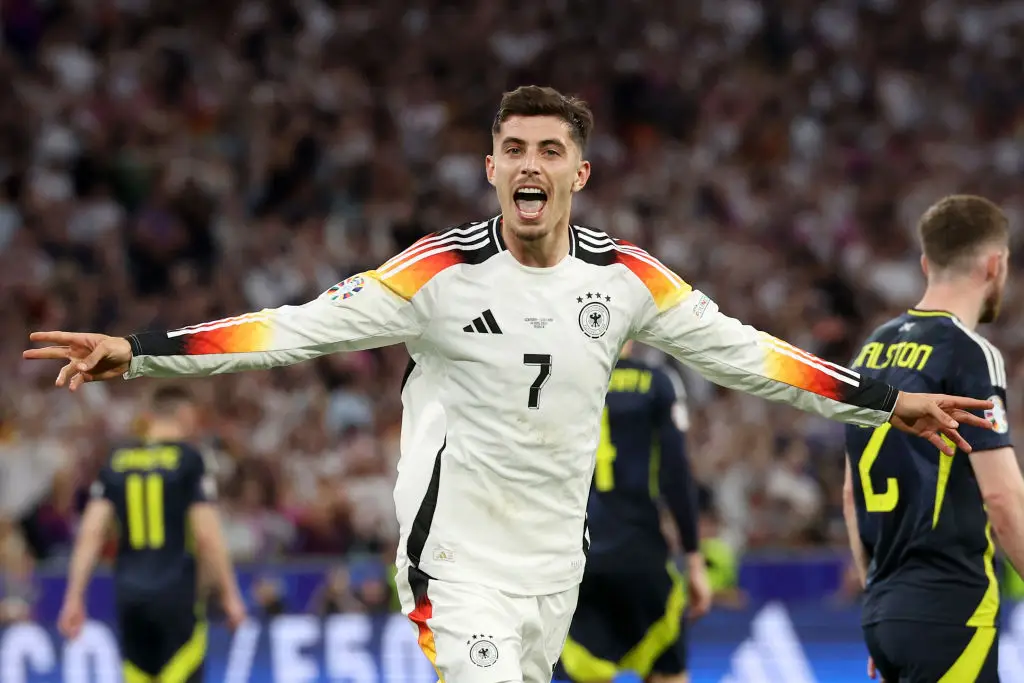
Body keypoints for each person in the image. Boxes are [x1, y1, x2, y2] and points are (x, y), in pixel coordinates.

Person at [26, 86, 992, 683]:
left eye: (549, 150)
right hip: (458, 568)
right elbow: (289, 332)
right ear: (492, 168)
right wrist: (141, 348)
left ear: (581, 169)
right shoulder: (437, 273)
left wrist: (882, 396)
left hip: (555, 569)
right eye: (515, 150)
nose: (531, 165)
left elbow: (752, 354)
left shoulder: (626, 280)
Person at [843, 194, 1020, 683]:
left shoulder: (870, 350)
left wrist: (882, 606)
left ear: (926, 263)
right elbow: (1003, 498)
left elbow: (850, 495)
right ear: (995, 264)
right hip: (951, 609)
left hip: (886, 612)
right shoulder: (969, 353)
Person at [57, 386, 246, 683]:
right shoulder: (189, 460)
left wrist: (74, 597)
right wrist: (230, 595)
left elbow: (91, 532)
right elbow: (207, 536)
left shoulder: (118, 460)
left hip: (130, 598)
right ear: (184, 414)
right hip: (176, 596)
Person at [555, 341, 711, 683]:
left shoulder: (557, 383)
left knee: (581, 668)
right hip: (642, 556)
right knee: (667, 667)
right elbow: (676, 474)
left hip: (577, 562)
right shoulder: (657, 382)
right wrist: (694, 560)